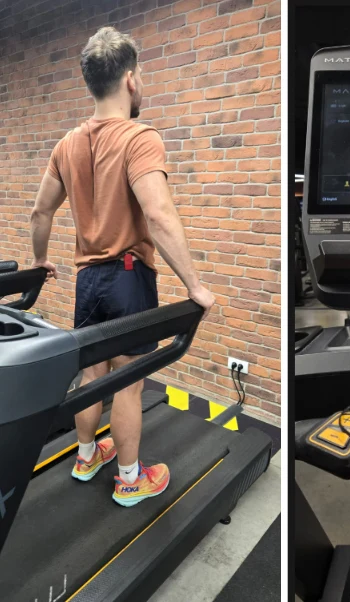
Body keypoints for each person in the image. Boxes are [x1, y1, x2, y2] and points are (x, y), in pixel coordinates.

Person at [29, 27, 216, 508]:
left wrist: (39, 260)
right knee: (130, 384)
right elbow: (158, 214)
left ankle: (88, 456)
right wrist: (195, 286)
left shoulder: (66, 144)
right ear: (131, 79)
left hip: (87, 279)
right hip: (129, 277)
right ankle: (131, 479)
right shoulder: (140, 137)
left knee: (92, 377)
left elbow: (40, 212)